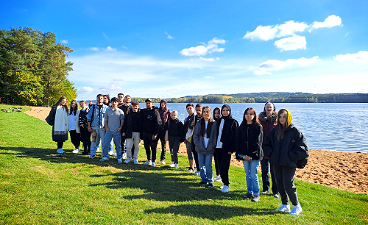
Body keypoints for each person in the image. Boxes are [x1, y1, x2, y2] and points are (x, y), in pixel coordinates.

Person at [263, 109, 309, 216]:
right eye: (280, 117)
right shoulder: (275, 131)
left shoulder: (295, 131)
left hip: (289, 163)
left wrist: (289, 156)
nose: (282, 119)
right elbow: (266, 143)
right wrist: (272, 154)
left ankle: (297, 205)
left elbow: (303, 149)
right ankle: (285, 204)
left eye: (284, 117)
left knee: (288, 184)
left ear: (288, 118)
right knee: (280, 184)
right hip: (276, 162)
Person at [236, 108, 263, 202]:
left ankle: (256, 194)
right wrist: (238, 155)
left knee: (253, 174)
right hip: (244, 155)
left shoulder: (257, 127)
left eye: (251, 114)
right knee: (248, 174)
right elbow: (238, 142)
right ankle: (249, 192)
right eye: (247, 114)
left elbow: (258, 143)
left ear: (254, 115)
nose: (248, 116)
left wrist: (249, 154)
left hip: (255, 155)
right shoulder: (241, 127)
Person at [214, 105, 238, 193]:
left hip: (227, 148)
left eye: (227, 110)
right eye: (223, 110)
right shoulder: (219, 121)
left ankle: (227, 184)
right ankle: (223, 183)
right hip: (217, 147)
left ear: (229, 111)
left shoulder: (233, 122)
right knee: (219, 166)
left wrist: (232, 149)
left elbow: (235, 137)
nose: (225, 112)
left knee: (225, 167)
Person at [193, 106, 217, 188]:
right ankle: (203, 179)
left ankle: (210, 180)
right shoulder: (199, 123)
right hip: (200, 147)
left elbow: (215, 136)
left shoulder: (214, 123)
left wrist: (212, 145)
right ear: (202, 113)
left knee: (208, 166)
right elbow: (195, 135)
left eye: (207, 112)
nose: (206, 113)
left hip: (209, 148)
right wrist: (198, 144)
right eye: (204, 112)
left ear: (210, 113)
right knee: (201, 165)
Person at [258, 102, 279, 198]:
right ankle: (266, 188)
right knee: (264, 170)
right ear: (264, 108)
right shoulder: (260, 120)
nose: (269, 108)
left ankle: (276, 191)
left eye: (270, 107)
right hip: (263, 148)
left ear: (273, 108)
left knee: (274, 171)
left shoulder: (277, 120)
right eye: (267, 107)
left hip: (274, 149)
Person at [102, 97, 124, 162]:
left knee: (118, 145)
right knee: (105, 144)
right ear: (111, 102)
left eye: (115, 102)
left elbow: (122, 121)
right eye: (113, 102)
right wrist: (106, 128)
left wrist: (120, 128)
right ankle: (105, 156)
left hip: (117, 131)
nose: (114, 103)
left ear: (117, 103)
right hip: (109, 130)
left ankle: (119, 157)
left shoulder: (120, 111)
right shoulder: (108, 111)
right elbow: (105, 120)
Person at [141, 98, 162, 167]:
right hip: (145, 133)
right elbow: (137, 110)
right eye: (147, 103)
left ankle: (153, 161)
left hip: (153, 134)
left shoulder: (155, 112)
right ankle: (148, 159)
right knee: (146, 147)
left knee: (153, 147)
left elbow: (158, 123)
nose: (148, 104)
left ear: (152, 104)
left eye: (149, 103)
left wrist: (155, 134)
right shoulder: (144, 111)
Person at [87, 94, 108, 159]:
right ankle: (92, 154)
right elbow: (89, 117)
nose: (100, 99)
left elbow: (108, 118)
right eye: (98, 98)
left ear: (103, 99)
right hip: (94, 128)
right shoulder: (93, 107)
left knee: (104, 143)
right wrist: (89, 126)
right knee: (94, 142)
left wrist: (107, 128)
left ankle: (105, 155)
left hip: (103, 128)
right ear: (96, 99)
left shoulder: (106, 108)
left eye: (101, 98)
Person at [183, 103, 196, 172]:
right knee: (189, 152)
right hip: (188, 137)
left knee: (191, 152)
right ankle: (193, 166)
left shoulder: (195, 117)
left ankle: (192, 167)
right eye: (188, 108)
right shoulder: (187, 118)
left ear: (193, 108)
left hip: (193, 137)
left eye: (190, 108)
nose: (189, 110)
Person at [157, 99, 171, 165]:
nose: (163, 104)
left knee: (164, 145)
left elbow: (170, 121)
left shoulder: (168, 112)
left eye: (164, 103)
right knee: (154, 144)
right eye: (162, 103)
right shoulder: (157, 110)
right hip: (157, 130)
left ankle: (162, 159)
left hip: (164, 131)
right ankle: (152, 158)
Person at [119, 95, 132, 159]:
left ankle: (129, 154)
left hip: (130, 126)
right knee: (122, 141)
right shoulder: (121, 108)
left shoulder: (132, 108)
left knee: (130, 141)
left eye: (128, 98)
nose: (127, 99)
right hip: (122, 125)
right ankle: (122, 153)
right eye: (126, 98)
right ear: (124, 99)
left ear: (130, 100)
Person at [191, 103, 203, 175]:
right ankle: (198, 169)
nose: (198, 111)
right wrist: (191, 124)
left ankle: (202, 170)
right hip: (194, 138)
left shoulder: (204, 118)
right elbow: (190, 126)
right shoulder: (194, 117)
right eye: (197, 110)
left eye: (200, 110)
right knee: (195, 154)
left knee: (201, 155)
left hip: (202, 139)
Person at [212, 107, 222, 182]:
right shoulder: (212, 122)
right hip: (214, 144)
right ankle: (218, 174)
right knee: (216, 160)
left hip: (220, 144)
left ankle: (221, 175)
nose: (217, 115)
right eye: (215, 113)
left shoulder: (221, 122)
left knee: (220, 160)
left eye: (218, 113)